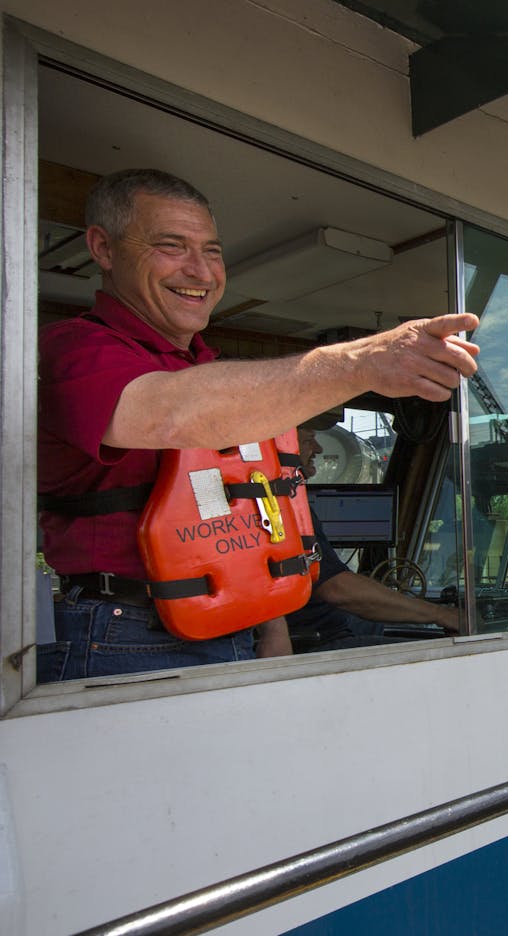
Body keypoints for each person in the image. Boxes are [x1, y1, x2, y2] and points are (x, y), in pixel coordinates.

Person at [36, 168, 478, 682]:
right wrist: (362, 363)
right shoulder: (72, 350)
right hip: (125, 635)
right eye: (171, 245)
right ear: (104, 249)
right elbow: (171, 415)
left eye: (213, 251)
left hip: (239, 629)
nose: (200, 271)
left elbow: (250, 518)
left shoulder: (216, 376)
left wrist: (273, 633)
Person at [284, 413, 460, 651]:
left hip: (328, 627)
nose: (317, 448)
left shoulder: (293, 504)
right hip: (321, 639)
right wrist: (442, 615)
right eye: (307, 440)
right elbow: (337, 589)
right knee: (446, 654)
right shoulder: (286, 510)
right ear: (281, 449)